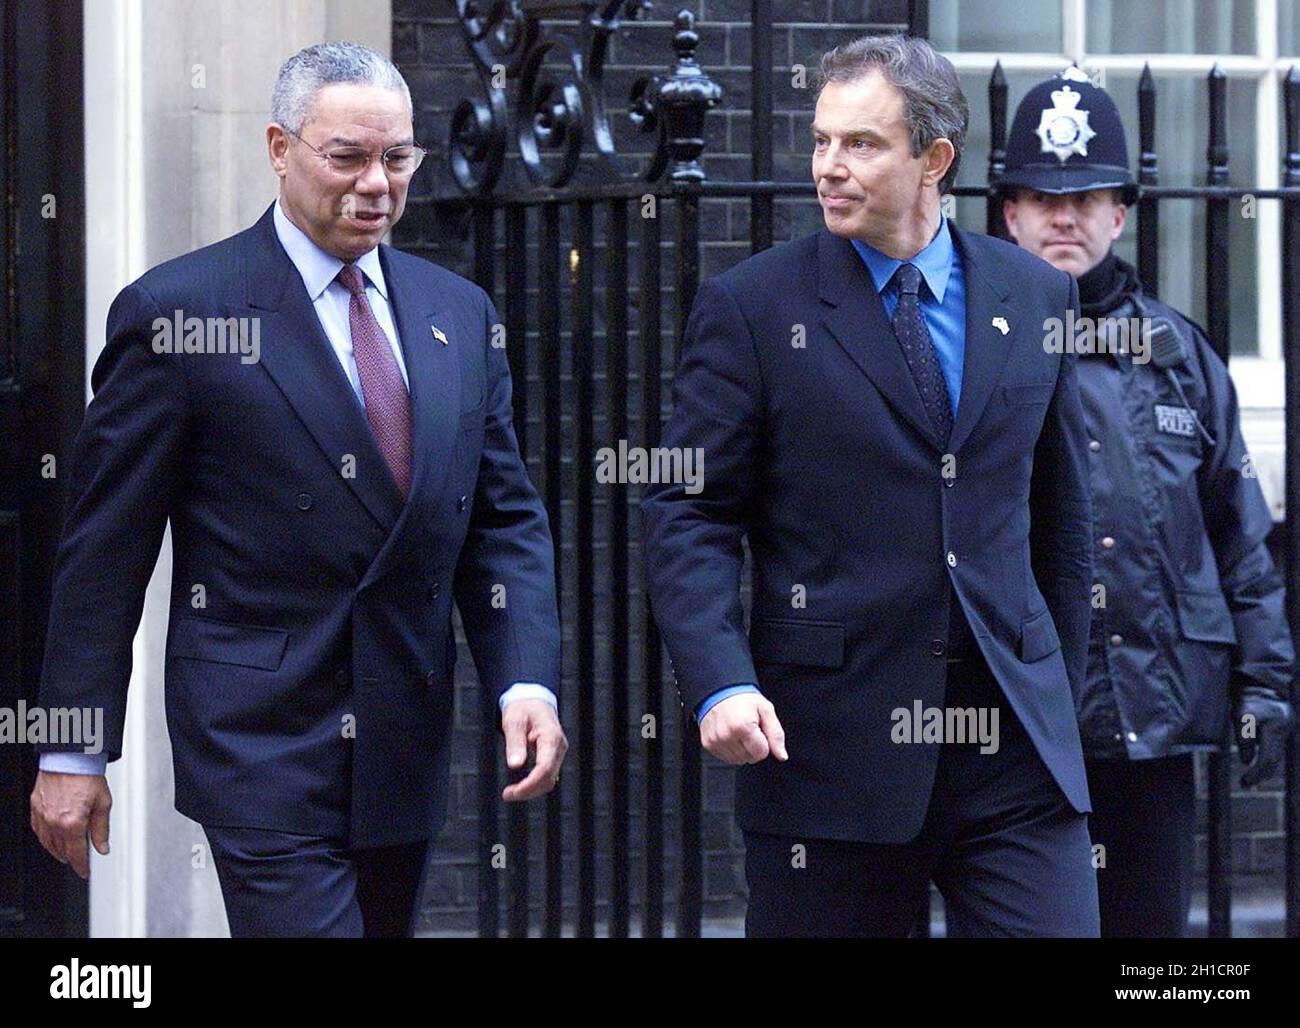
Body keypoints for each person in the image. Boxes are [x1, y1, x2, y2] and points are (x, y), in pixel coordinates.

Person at [29, 41, 566, 937]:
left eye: (398, 158)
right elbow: (105, 552)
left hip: (401, 741)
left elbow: (503, 519)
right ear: (280, 149)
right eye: (346, 157)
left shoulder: (457, 315)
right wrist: (73, 748)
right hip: (260, 745)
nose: (377, 184)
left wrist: (527, 683)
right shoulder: (180, 313)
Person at [641, 34, 1100, 937]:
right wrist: (719, 683)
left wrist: (1055, 686)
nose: (829, 168)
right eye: (821, 142)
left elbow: (1061, 510)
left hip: (1012, 747)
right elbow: (687, 510)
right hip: (831, 755)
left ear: (935, 159)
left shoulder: (1037, 294)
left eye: (861, 144)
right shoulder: (755, 309)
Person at [998, 66, 1294, 937]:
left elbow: (1240, 536)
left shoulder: (1182, 357)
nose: (1066, 217)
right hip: (1020, 726)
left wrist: (1267, 684)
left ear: (1120, 214)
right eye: (1044, 198)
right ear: (1008, 210)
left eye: (1088, 198)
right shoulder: (971, 349)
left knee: (1151, 956)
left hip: (1153, 723)